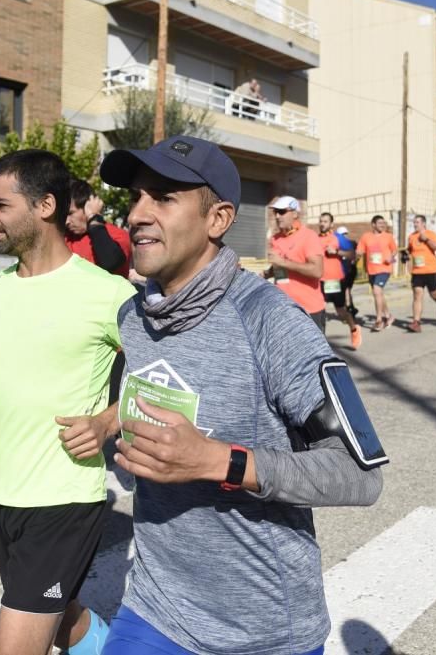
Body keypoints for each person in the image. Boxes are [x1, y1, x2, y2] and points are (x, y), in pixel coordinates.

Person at [96, 134, 385, 655]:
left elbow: (359, 475)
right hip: (155, 605)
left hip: (262, 630)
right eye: (134, 197)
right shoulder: (131, 318)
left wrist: (219, 462)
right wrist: (109, 423)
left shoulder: (272, 322)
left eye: (162, 197)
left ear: (218, 219)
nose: (137, 213)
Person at [0, 150, 134, 655]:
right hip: (4, 494)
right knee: (59, 620)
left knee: (16, 643)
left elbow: (163, 379)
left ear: (44, 205)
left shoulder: (108, 293)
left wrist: (108, 421)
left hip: (65, 497)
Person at [265, 196, 326, 332]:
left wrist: (283, 262)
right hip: (283, 309)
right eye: (275, 212)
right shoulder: (276, 238)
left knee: (313, 353)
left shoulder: (308, 236)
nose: (277, 216)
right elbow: (278, 266)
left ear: (295, 213)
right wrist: (266, 274)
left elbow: (317, 271)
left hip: (308, 310)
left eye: (282, 212)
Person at [65, 178, 131, 277]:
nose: (66, 221)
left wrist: (93, 217)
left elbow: (111, 262)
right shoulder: (66, 238)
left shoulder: (117, 235)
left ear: (88, 206)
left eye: (71, 213)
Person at [317, 213, 361, 348]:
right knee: (318, 310)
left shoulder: (338, 238)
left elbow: (352, 254)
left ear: (331, 224)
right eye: (321, 221)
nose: (322, 224)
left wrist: (336, 252)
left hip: (335, 281)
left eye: (325, 221)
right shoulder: (315, 239)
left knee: (341, 312)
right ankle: (318, 343)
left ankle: (354, 329)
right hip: (319, 280)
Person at [406, 214, 436, 333]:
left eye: (417, 222)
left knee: (434, 294)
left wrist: (426, 240)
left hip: (431, 271)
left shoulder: (431, 234)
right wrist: (406, 256)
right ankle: (416, 323)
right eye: (414, 223)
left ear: (424, 223)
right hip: (417, 272)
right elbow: (409, 250)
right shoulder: (411, 237)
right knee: (417, 294)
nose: (415, 225)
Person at [356, 215, 398, 332]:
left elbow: (394, 250)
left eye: (383, 223)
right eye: (380, 223)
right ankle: (389, 316)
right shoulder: (366, 237)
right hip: (371, 270)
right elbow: (360, 250)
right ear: (373, 224)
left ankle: (379, 320)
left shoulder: (388, 237)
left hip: (384, 268)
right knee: (378, 293)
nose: (382, 225)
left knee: (376, 290)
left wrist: (391, 256)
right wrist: (357, 254)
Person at [336, 225, 359, 320]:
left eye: (344, 234)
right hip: (342, 270)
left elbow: (357, 254)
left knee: (346, 290)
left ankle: (349, 309)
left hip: (349, 270)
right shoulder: (338, 244)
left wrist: (353, 260)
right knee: (346, 290)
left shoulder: (351, 243)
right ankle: (350, 308)